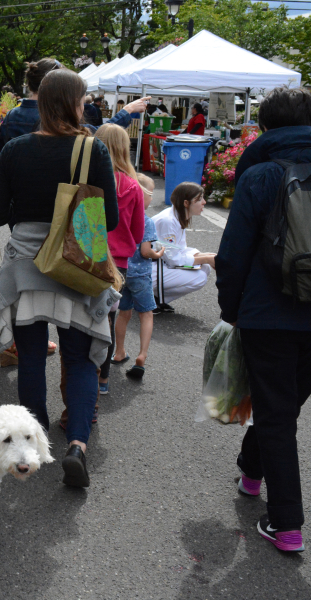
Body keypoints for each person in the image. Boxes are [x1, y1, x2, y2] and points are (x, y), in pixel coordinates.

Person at [0, 68, 119, 488]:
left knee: (32, 355)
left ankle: (32, 444)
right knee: (78, 358)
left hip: (26, 269)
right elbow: (108, 219)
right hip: (76, 267)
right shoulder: (91, 150)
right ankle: (77, 445)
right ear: (77, 105)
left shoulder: (16, 150)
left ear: (41, 103)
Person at [217, 86, 311, 553]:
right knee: (283, 406)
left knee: (276, 412)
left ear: (266, 127)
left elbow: (233, 254)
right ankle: (251, 473)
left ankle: (287, 523)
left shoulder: (261, 175)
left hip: (267, 312)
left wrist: (231, 311)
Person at [0, 58, 149, 159]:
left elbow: (0, 157)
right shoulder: (58, 118)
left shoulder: (12, 116)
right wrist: (126, 111)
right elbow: (100, 134)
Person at [93, 123, 144, 395]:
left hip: (89, 259)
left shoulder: (88, 181)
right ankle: (103, 379)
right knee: (107, 321)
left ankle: (83, 374)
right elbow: (137, 233)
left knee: (83, 316)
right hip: (119, 266)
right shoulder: (133, 187)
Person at [113, 174, 165, 379]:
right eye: (151, 194)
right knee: (146, 314)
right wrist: (158, 253)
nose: (152, 199)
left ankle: (119, 352)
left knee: (123, 312)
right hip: (141, 275)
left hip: (123, 271)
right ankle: (142, 355)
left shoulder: (121, 214)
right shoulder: (146, 221)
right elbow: (145, 251)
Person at [151, 182, 216, 312]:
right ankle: (150, 299)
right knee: (200, 277)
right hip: (148, 268)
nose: (204, 202)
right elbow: (173, 259)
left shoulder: (176, 215)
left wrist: (209, 257)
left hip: (159, 263)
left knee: (206, 267)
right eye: (199, 199)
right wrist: (206, 259)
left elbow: (177, 251)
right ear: (186, 203)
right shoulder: (168, 221)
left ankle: (156, 298)